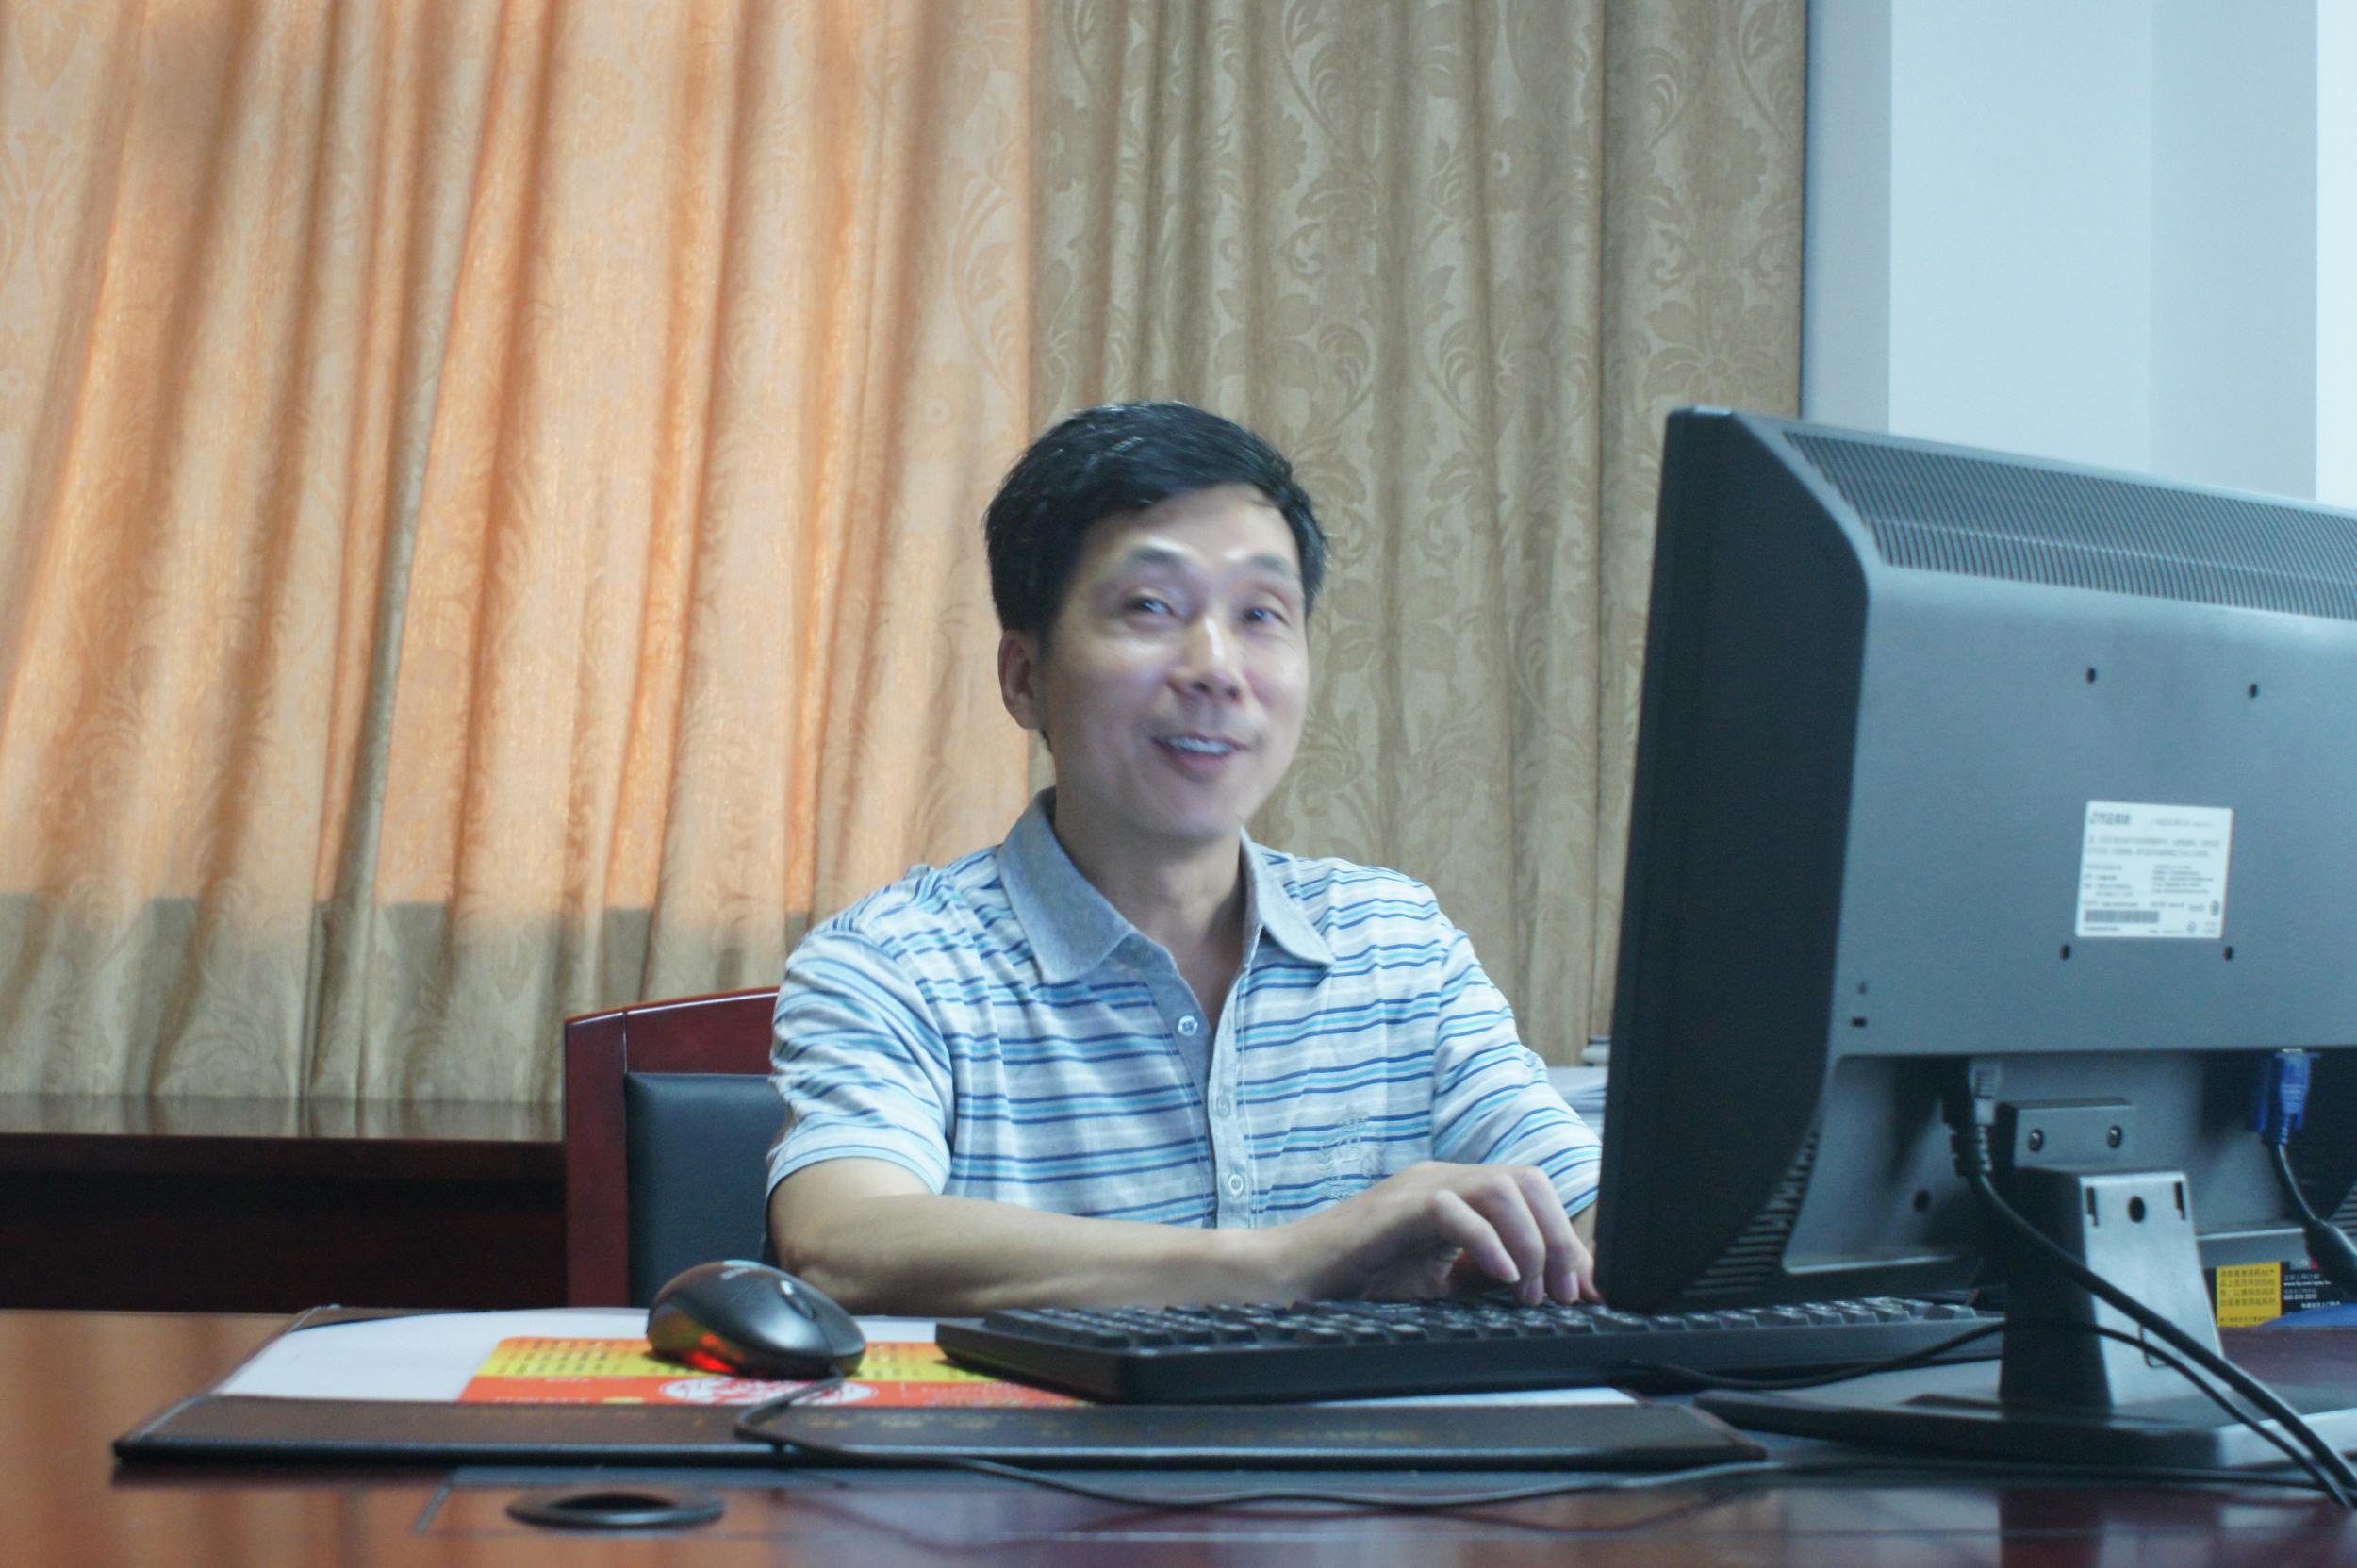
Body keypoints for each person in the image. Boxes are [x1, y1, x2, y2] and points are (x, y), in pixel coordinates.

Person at [765, 402, 1600, 1315]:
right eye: (1151, 607)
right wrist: (1290, 1261)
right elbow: (845, 1239)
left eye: (1261, 614)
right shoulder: (895, 962)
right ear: (1024, 677)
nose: (1216, 667)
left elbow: (1592, 1212)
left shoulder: (1397, 944)